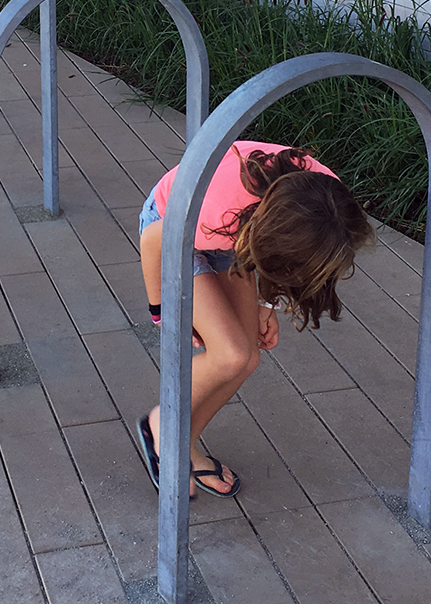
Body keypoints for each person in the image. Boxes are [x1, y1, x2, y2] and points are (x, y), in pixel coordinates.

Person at [135, 141, 372, 498]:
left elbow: (287, 259)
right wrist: (162, 314)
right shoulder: (214, 208)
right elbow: (156, 241)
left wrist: (268, 304)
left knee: (246, 359)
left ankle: (182, 441)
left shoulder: (329, 202)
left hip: (239, 238)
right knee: (229, 353)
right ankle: (161, 428)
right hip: (174, 228)